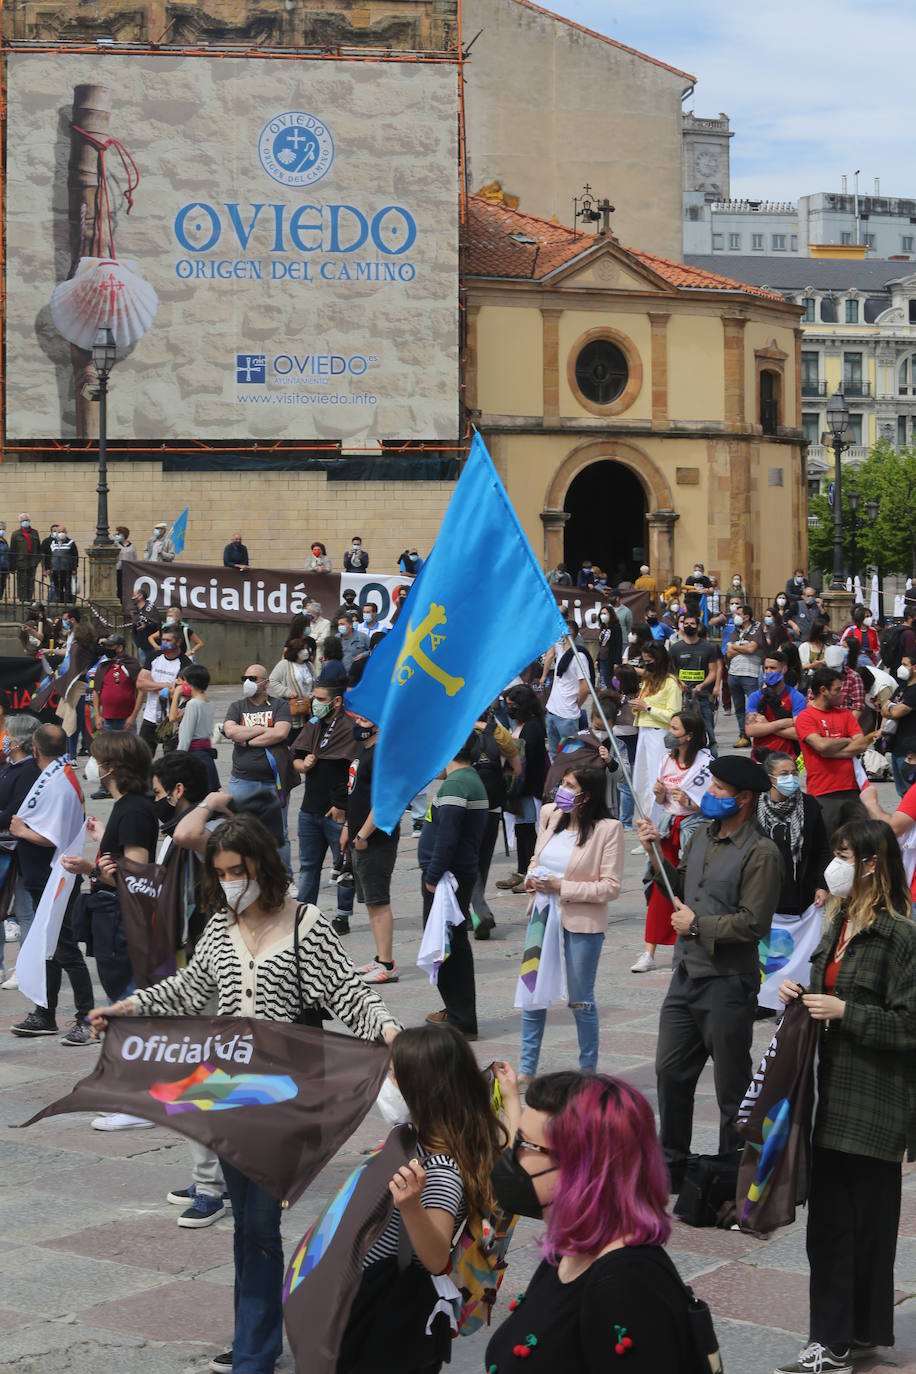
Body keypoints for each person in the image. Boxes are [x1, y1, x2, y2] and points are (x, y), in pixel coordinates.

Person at [88, 813, 399, 1374]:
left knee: (259, 1223)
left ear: (263, 864)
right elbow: (190, 987)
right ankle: (254, 1336)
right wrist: (127, 1008)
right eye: (222, 872)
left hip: (285, 1093)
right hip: (230, 1091)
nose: (231, 880)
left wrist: (390, 1032)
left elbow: (348, 994)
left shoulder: (306, 923)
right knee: (248, 1226)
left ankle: (256, 1350)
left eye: (239, 869)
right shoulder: (218, 925)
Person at [775, 819, 916, 1374]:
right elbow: (826, 993)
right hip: (829, 1091)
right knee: (833, 1222)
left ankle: (844, 1337)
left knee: (866, 1222)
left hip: (877, 1098)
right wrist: (803, 995)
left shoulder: (901, 935)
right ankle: (843, 1334)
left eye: (845, 853)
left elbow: (910, 1024)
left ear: (873, 863)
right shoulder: (837, 922)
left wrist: (845, 1012)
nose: (835, 863)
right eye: (833, 851)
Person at [487, 1071, 697, 1374]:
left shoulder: (627, 1286)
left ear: (581, 1166)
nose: (511, 1156)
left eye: (525, 1145)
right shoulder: (568, 1247)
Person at [637, 754, 781, 1184]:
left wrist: (699, 925)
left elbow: (753, 922)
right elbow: (679, 887)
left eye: (719, 789)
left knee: (731, 1086)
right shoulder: (701, 836)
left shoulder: (761, 852)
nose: (710, 794)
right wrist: (654, 850)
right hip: (686, 974)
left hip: (727, 981)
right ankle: (672, 1164)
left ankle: (730, 1172)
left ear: (743, 798)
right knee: (670, 1070)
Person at [339, 1024, 505, 1374]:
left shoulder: (441, 1168)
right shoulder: (420, 1138)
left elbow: (434, 1257)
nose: (388, 1084)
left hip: (393, 1320)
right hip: (384, 1305)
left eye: (395, 1077)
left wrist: (411, 1207)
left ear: (424, 1090)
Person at [519, 762, 623, 1081]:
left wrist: (561, 886)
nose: (562, 791)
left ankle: (587, 1070)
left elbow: (610, 886)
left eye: (570, 787)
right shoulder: (551, 815)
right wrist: (532, 880)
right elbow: (537, 859)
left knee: (580, 998)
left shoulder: (608, 829)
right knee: (531, 990)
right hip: (542, 914)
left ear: (587, 796)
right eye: (562, 784)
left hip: (581, 919)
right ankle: (526, 1068)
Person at [63, 731, 158, 1054]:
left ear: (112, 767)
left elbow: (136, 874)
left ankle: (132, 1089)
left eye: (98, 760)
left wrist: (89, 870)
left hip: (122, 919)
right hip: (115, 916)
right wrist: (105, 836)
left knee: (124, 1004)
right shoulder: (126, 807)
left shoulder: (132, 809)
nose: (93, 766)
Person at [9, 723, 93, 1044]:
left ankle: (86, 1018)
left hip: (54, 877)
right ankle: (44, 1013)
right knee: (49, 948)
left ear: (35, 751)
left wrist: (21, 831)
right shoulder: (60, 774)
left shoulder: (59, 783)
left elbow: (51, 836)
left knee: (64, 948)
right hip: (45, 876)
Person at [418, 733, 488, 1040]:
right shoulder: (466, 779)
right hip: (454, 875)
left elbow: (448, 837)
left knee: (449, 947)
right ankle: (456, 1009)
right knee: (449, 944)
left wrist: (433, 876)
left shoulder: (457, 785)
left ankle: (462, 1019)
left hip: (447, 878)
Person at [632, 712, 712, 973]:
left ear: (688, 735)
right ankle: (649, 951)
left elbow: (713, 805)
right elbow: (663, 802)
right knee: (660, 889)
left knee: (690, 889)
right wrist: (659, 795)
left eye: (674, 728)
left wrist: (690, 802)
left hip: (693, 832)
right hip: (667, 831)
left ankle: (688, 947)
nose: (669, 732)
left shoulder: (705, 764)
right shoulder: (667, 759)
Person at [291, 669, 356, 932]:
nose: (313, 701)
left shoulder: (350, 728)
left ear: (336, 701)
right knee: (308, 866)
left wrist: (343, 807)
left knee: (342, 867)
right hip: (309, 808)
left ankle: (342, 915)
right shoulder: (313, 724)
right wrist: (302, 765)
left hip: (336, 811)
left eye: (319, 697)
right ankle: (305, 913)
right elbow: (295, 757)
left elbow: (356, 769)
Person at [339, 708, 400, 983]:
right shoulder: (364, 751)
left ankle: (387, 964)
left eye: (365, 720)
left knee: (378, 901)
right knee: (370, 902)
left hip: (375, 840)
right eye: (358, 719)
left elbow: (385, 801)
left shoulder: (382, 756)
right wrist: (348, 830)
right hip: (358, 836)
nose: (358, 724)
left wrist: (363, 834)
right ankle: (378, 958)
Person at [222, 664, 293, 872]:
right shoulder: (237, 706)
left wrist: (248, 739)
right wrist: (263, 730)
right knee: (241, 831)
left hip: (275, 782)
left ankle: (284, 877)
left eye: (253, 678)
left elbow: (280, 734)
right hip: (243, 780)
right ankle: (247, 873)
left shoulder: (279, 706)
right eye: (245, 677)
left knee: (279, 832)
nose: (248, 682)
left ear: (266, 682)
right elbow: (231, 731)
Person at [756, 750, 830, 925]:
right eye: (784, 774)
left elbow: (823, 849)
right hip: (763, 893)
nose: (791, 778)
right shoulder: (753, 808)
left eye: (794, 773)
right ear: (770, 778)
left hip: (801, 893)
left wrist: (822, 885)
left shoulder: (809, 805)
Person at [795, 668, 872, 836]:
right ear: (823, 690)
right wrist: (846, 739)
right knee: (827, 848)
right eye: (837, 690)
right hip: (824, 793)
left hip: (852, 791)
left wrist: (830, 751)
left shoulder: (845, 714)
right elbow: (821, 746)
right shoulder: (806, 717)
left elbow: (861, 744)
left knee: (861, 843)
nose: (842, 695)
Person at [468, 708, 521, 938]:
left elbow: (442, 772)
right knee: (483, 861)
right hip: (491, 806)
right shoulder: (499, 733)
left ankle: (478, 909)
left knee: (466, 860)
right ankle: (475, 911)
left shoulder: (459, 729)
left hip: (465, 805)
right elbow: (517, 768)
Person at [0, 713, 41, 988]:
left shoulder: (28, 771)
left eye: (8, 735)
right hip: (6, 847)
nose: (5, 739)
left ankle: (25, 969)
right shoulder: (8, 766)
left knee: (25, 912)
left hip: (17, 851)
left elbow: (15, 813)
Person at [499, 685, 548, 892]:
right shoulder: (519, 724)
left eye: (513, 706)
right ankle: (521, 870)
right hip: (518, 787)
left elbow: (527, 758)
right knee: (521, 829)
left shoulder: (532, 727)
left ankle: (532, 873)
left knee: (528, 830)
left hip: (529, 786)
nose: (509, 709)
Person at [631, 639, 682, 819]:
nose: (647, 664)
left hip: (660, 734)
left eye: (649, 660)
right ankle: (646, 824)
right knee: (641, 782)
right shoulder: (648, 680)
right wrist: (638, 707)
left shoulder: (671, 683)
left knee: (657, 781)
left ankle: (659, 826)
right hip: (644, 732)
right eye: (644, 660)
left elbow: (674, 714)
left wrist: (649, 708)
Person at [666, 613, 721, 752]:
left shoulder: (709, 648)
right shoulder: (675, 648)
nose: (689, 626)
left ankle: (712, 759)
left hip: (702, 696)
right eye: (686, 624)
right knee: (681, 731)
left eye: (692, 624)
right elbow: (670, 672)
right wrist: (679, 683)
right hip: (682, 697)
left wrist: (703, 685)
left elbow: (713, 672)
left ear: (698, 626)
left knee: (709, 731)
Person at [541, 614, 590, 761]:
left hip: (567, 717)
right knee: (554, 755)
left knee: (570, 757)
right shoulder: (560, 650)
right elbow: (550, 654)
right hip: (552, 712)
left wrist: (576, 706)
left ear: (568, 633)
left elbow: (585, 687)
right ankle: (557, 784)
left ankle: (570, 783)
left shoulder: (579, 657)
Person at [136, 624, 190, 754]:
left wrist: (153, 685)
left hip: (171, 719)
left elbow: (175, 692)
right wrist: (165, 685)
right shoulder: (154, 657)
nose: (164, 643)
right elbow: (140, 683)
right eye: (162, 640)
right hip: (150, 717)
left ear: (178, 642)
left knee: (171, 759)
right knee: (142, 757)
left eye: (168, 640)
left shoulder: (185, 664)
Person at [744, 649, 807, 761]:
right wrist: (783, 723)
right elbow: (750, 731)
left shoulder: (796, 697)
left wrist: (767, 725)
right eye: (766, 668)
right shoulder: (755, 697)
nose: (768, 672)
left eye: (773, 668)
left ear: (784, 669)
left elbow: (799, 733)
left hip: (788, 760)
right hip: (760, 760)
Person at [171, 664, 218, 789]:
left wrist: (178, 760)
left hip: (194, 756)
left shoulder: (193, 704)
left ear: (191, 682)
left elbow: (186, 736)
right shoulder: (208, 702)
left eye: (185, 681)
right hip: (206, 755)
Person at [725, 602, 765, 746]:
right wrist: (743, 646)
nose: (736, 617)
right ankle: (744, 736)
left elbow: (752, 649)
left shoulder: (756, 628)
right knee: (739, 707)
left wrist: (736, 646)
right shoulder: (736, 630)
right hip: (733, 673)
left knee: (755, 705)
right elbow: (728, 652)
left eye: (739, 614)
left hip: (750, 674)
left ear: (747, 616)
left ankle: (760, 734)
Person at [92, 634, 143, 738]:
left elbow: (141, 691)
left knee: (129, 750)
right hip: (107, 719)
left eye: (110, 646)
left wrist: (133, 716)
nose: (107, 649)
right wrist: (97, 716)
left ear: (120, 647)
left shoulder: (131, 664)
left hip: (127, 719)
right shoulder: (103, 666)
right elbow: (96, 691)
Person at [880, 655, 916, 796]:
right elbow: (885, 707)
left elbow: (897, 711)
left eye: (905, 664)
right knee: (901, 791)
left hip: (909, 748)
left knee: (910, 791)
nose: (901, 668)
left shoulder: (914, 691)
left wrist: (891, 709)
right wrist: (891, 710)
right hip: (895, 746)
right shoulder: (902, 686)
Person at [610, 664, 640, 830]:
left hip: (629, 744)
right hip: (615, 742)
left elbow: (633, 725)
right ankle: (616, 817)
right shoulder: (617, 696)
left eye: (617, 678)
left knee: (625, 784)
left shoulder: (635, 699)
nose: (614, 680)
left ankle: (626, 821)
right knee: (616, 781)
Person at [268, 635, 316, 729]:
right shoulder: (284, 664)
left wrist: (314, 693)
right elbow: (272, 682)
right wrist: (287, 692)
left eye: (307, 649)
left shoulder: (309, 665)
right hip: (291, 708)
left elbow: (315, 682)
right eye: (303, 649)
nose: (306, 651)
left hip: (308, 708)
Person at [824, 642, 866, 720]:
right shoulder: (820, 677)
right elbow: (811, 701)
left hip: (845, 720)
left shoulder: (854, 677)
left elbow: (858, 706)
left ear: (843, 661)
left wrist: (847, 726)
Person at [10, 514, 41, 601]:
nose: (25, 522)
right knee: (22, 583)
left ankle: (29, 599)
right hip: (21, 562)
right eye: (23, 520)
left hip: (32, 562)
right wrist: (12, 566)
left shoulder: (35, 532)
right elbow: (13, 550)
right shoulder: (16, 534)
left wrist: (36, 561)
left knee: (31, 582)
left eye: (26, 520)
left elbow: (39, 548)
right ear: (20, 522)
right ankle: (22, 600)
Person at [129, 589, 160, 669]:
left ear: (140, 596)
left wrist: (146, 625)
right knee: (145, 668)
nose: (132, 598)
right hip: (142, 646)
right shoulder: (136, 610)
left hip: (153, 645)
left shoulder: (150, 607)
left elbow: (156, 623)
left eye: (134, 595)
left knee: (156, 667)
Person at [49, 526, 78, 604]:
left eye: (62, 532)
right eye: (59, 532)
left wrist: (74, 568)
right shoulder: (53, 543)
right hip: (55, 569)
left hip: (66, 569)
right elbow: (50, 555)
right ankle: (60, 601)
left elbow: (74, 556)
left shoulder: (70, 542)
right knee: (58, 587)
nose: (61, 534)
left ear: (66, 532)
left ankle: (69, 601)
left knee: (67, 587)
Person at [596, 603, 622, 689]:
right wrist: (597, 659)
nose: (603, 616)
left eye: (605, 613)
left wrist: (617, 662)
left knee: (611, 680)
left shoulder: (616, 627)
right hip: (602, 658)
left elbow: (618, 645)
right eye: (601, 614)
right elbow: (601, 644)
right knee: (604, 679)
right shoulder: (603, 628)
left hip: (611, 658)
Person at [113, 525, 137, 603]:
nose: (117, 536)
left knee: (128, 587)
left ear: (123, 535)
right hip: (119, 569)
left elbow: (134, 558)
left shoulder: (132, 546)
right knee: (119, 588)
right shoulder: (116, 545)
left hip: (129, 570)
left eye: (118, 534)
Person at [0, 519, 9, 601]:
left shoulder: (4, 541)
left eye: (3, 529)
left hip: (4, 567)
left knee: (2, 585)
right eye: (0, 529)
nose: (2, 531)